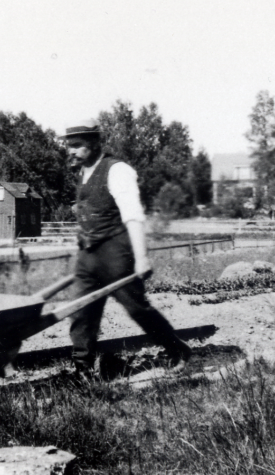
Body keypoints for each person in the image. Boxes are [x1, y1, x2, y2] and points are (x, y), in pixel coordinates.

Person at [61, 122, 192, 378]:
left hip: (115, 252)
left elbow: (133, 216)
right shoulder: (83, 172)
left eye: (78, 146)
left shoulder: (117, 170)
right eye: (70, 146)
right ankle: (83, 371)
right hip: (88, 253)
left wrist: (141, 257)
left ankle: (176, 349)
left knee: (136, 308)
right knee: (82, 311)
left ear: (94, 144)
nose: (72, 151)